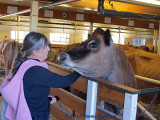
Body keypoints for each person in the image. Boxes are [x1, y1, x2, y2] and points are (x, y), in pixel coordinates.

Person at [0, 32, 80, 120]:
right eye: (45, 46)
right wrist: (81, 70)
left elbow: (31, 91)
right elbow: (65, 81)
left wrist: (48, 100)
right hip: (34, 116)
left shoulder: (24, 63)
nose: (49, 49)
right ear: (34, 52)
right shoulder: (35, 71)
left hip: (29, 111)